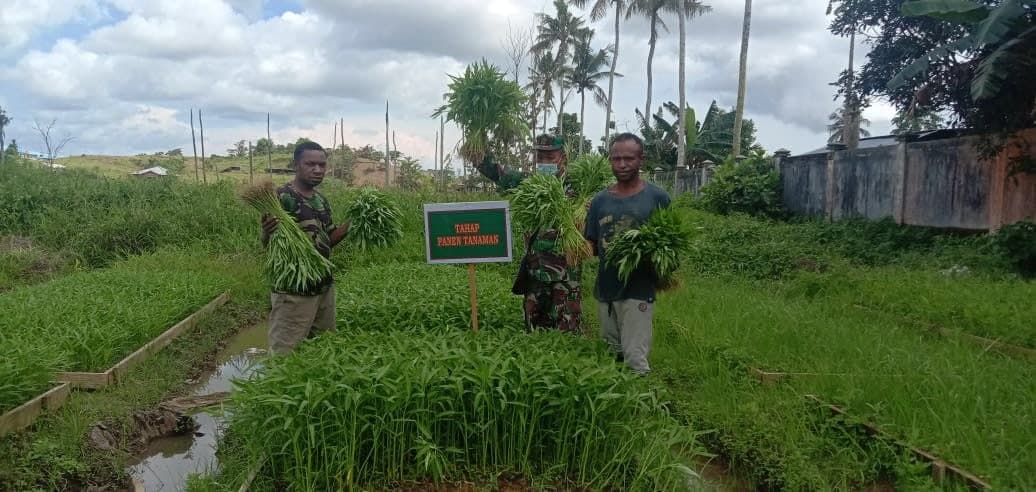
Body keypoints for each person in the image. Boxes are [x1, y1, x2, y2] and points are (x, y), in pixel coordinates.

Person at [475, 134, 582, 333]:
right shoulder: (527, 183)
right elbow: (495, 171)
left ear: (563, 158)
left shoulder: (577, 186)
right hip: (535, 269)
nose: (544, 162)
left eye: (549, 157)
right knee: (534, 328)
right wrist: (476, 144)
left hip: (566, 273)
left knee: (566, 329)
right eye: (539, 157)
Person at [584, 133, 671, 374]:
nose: (622, 164)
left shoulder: (658, 198)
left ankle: (642, 396)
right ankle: (615, 396)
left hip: (638, 289)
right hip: (606, 288)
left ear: (641, 159)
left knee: (635, 359)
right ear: (610, 160)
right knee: (610, 354)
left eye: (629, 159)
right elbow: (593, 245)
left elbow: (670, 244)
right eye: (616, 159)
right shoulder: (600, 201)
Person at [260, 141, 349, 354]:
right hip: (294, 291)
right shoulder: (281, 197)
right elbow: (269, 245)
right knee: (285, 354)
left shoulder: (321, 200)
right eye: (310, 164)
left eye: (322, 165)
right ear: (296, 165)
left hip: (323, 287)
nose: (317, 170)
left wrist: (354, 223)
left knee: (322, 348)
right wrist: (267, 233)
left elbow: (328, 239)